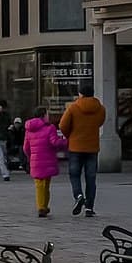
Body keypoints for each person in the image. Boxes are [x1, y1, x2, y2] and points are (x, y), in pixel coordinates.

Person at [58, 82, 107, 217]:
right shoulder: (101, 109)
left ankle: (79, 196)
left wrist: (70, 136)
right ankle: (89, 208)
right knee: (91, 177)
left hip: (75, 147)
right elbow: (100, 122)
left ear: (80, 94)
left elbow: (62, 125)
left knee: (74, 175)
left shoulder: (73, 108)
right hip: (92, 147)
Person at [23, 109, 67, 217]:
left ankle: (41, 206)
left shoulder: (29, 129)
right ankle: (43, 207)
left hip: (35, 160)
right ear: (43, 116)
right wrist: (66, 141)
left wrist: (31, 157)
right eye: (47, 114)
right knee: (46, 185)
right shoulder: (50, 128)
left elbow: (25, 148)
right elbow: (55, 142)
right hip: (48, 160)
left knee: (39, 185)